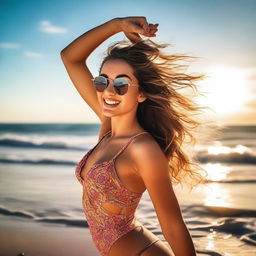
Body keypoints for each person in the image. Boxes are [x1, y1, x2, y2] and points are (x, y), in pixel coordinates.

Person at [61, 16, 205, 256]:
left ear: (141, 94)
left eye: (121, 85)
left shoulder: (143, 148)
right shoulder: (108, 128)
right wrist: (116, 25)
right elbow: (70, 58)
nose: (108, 91)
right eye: (101, 81)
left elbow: (172, 226)